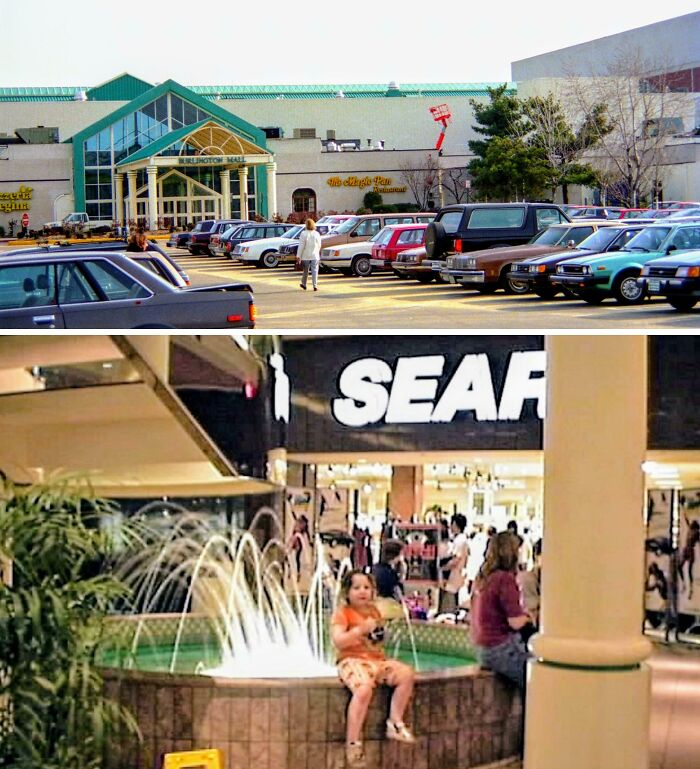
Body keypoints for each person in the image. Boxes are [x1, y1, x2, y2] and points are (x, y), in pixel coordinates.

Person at [331, 570, 416, 769]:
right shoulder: (342, 613)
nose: (362, 592)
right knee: (363, 689)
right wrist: (360, 630)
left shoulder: (374, 612)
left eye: (367, 588)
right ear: (347, 591)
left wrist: (379, 633)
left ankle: (394, 721)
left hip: (376, 661)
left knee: (406, 674)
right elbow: (339, 641)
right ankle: (353, 742)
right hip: (351, 660)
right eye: (357, 587)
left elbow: (376, 640)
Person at [470, 531, 532, 690]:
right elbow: (515, 622)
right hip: (501, 649)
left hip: (483, 649)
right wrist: (528, 618)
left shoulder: (483, 578)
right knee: (538, 677)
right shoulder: (505, 579)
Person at [438, 513, 469, 614]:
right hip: (454, 577)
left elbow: (456, 560)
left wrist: (442, 568)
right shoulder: (459, 539)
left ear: (455, 524)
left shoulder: (460, 540)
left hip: (453, 577)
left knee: (448, 607)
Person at [372, 539, 405, 620]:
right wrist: (401, 576)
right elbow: (398, 594)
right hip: (386, 610)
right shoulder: (390, 574)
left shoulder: (375, 568)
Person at [297, 217, 322, 291]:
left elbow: (301, 245)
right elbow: (319, 245)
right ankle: (315, 285)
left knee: (305, 271)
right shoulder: (316, 233)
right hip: (315, 255)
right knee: (315, 271)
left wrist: (298, 256)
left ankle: (304, 284)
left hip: (305, 256)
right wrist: (317, 251)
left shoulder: (303, 233)